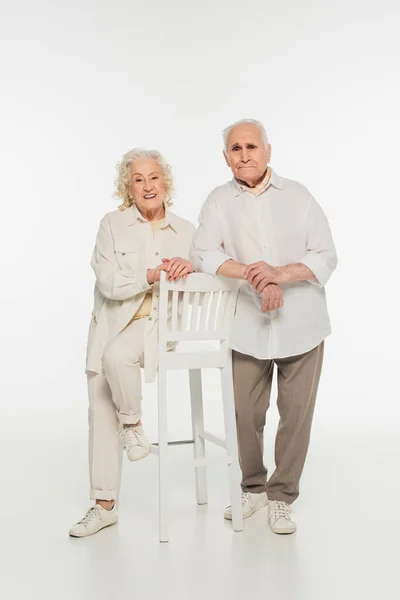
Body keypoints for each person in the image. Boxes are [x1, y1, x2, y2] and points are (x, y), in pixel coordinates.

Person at [191, 119, 337, 534]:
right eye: (235, 149)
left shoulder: (299, 196)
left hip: (302, 323)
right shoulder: (218, 200)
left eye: (251, 146)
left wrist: (279, 275)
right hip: (246, 324)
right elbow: (203, 251)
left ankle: (281, 496)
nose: (244, 155)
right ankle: (252, 488)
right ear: (226, 158)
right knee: (244, 412)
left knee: (295, 416)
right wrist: (255, 275)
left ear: (268, 151)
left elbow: (325, 255)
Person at [69, 148, 195, 538]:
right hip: (109, 325)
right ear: (128, 188)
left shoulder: (187, 232)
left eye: (153, 177)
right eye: (138, 179)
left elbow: (200, 283)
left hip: (156, 329)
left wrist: (189, 268)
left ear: (165, 182)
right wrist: (150, 275)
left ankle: (132, 422)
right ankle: (103, 505)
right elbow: (107, 281)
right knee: (99, 403)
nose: (147, 185)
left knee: (118, 355)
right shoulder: (111, 225)